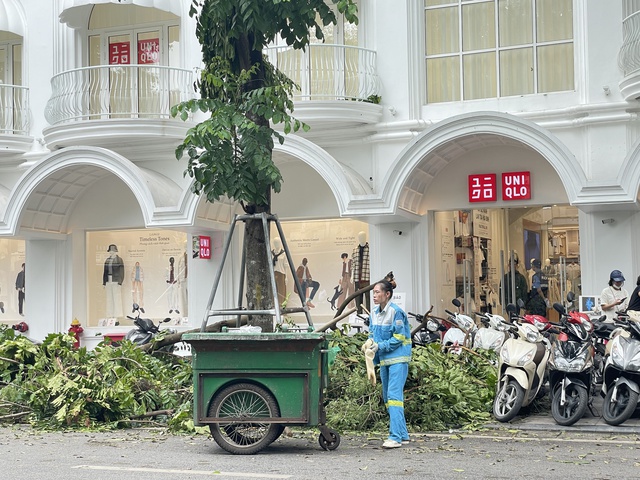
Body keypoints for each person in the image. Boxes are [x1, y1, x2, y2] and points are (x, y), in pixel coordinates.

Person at [363, 279, 411, 449]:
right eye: (373, 293)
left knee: (394, 397)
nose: (374, 296)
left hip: (398, 360)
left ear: (387, 294)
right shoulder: (374, 313)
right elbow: (372, 333)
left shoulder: (396, 312)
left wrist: (379, 346)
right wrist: (369, 342)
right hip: (384, 360)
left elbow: (398, 338)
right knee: (388, 398)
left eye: (377, 292)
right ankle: (403, 434)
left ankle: (395, 437)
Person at [103, 244, 124, 319]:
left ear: (115, 251)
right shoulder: (107, 260)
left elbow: (121, 271)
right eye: (110, 251)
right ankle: (110, 315)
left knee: (116, 298)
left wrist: (120, 281)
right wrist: (104, 282)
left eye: (112, 251)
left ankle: (117, 316)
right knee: (109, 298)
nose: (111, 252)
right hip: (108, 280)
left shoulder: (119, 260)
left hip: (115, 280)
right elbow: (105, 272)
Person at [352, 231, 370, 314]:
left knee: (368, 298)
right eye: (360, 237)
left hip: (367, 278)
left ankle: (369, 314)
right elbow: (353, 264)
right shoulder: (355, 250)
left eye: (363, 236)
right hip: (357, 278)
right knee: (358, 298)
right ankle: (359, 315)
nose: (361, 238)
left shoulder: (370, 249)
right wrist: (352, 276)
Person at [271, 237, 288, 306]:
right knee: (273, 291)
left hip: (281, 274)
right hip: (273, 273)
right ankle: (273, 307)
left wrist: (286, 277)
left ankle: (282, 308)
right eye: (275, 243)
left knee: (282, 291)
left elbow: (286, 266)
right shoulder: (271, 253)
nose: (276, 244)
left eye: (277, 242)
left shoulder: (283, 254)